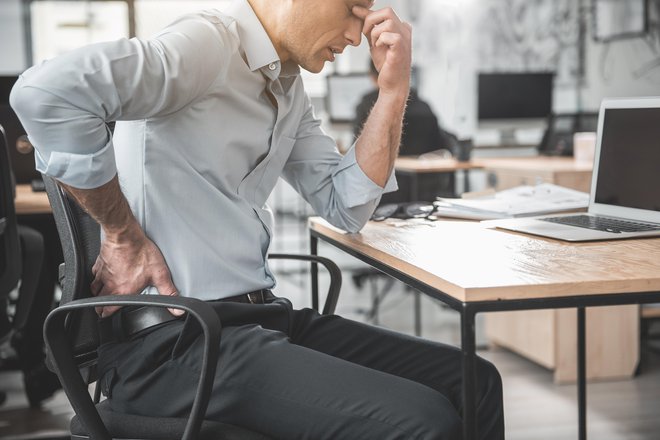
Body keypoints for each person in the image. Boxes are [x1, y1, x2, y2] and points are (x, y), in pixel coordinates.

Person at [11, 0, 504, 438]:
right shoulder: (206, 44)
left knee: (476, 381)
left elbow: (346, 204)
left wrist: (393, 91)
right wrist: (121, 234)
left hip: (255, 319)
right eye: (353, 8)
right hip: (175, 344)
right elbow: (44, 92)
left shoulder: (287, 89)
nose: (358, 35)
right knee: (424, 421)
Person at [354, 61, 456, 203]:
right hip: (426, 194)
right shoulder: (423, 105)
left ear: (372, 77)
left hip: (384, 194)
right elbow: (441, 144)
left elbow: (357, 151)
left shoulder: (367, 104)